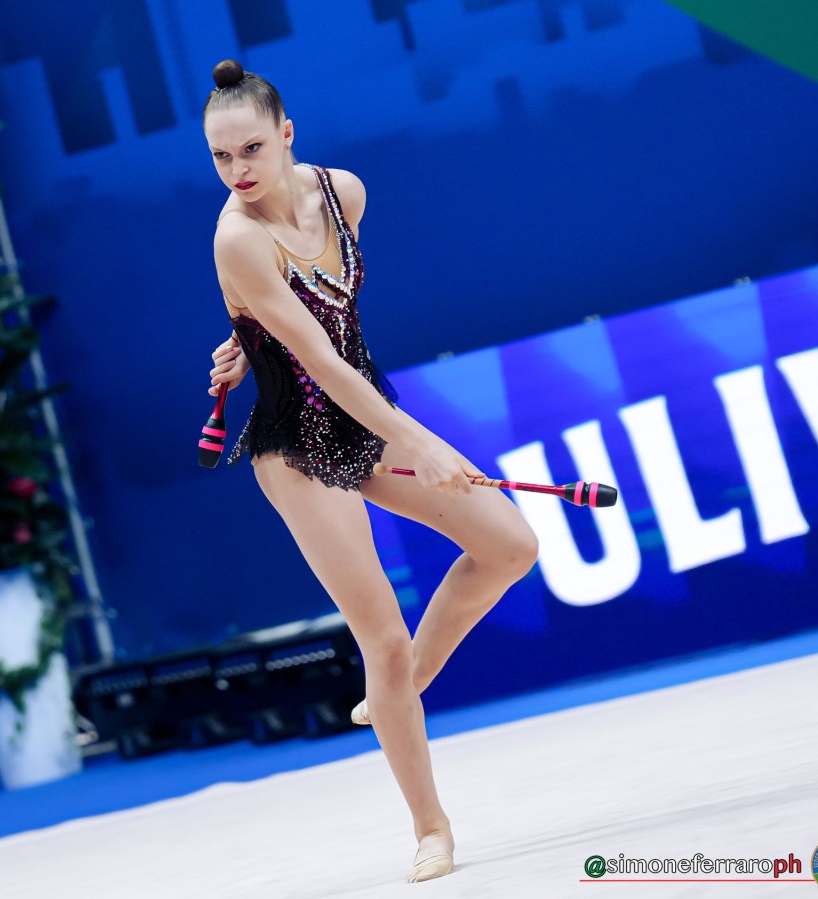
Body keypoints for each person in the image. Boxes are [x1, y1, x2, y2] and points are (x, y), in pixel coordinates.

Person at [201, 58, 539, 884]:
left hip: (364, 411)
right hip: (296, 444)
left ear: (287, 134)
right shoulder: (236, 237)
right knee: (380, 637)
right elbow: (316, 359)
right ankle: (431, 827)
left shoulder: (344, 193)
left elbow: (330, 309)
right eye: (221, 157)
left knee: (510, 546)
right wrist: (420, 442)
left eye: (252, 149)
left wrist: (247, 338)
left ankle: (405, 686)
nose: (238, 170)